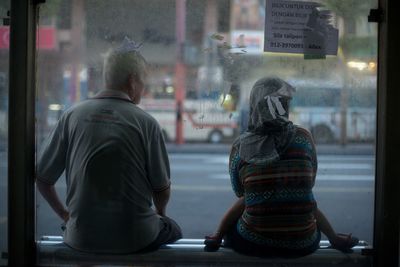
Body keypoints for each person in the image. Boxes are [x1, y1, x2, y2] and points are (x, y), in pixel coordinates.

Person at [36, 37, 182, 254]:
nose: (142, 89)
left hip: (80, 237)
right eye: (143, 83)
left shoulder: (72, 116)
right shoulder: (146, 123)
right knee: (174, 230)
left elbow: (43, 179)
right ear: (133, 81)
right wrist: (160, 213)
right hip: (136, 238)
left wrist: (66, 216)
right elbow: (161, 189)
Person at [205, 77, 358, 257]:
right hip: (304, 243)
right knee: (297, 196)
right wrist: (333, 237)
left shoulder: (241, 147)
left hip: (254, 243)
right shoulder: (304, 138)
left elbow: (242, 194)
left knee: (248, 207)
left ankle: (217, 235)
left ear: (254, 105)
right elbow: (305, 190)